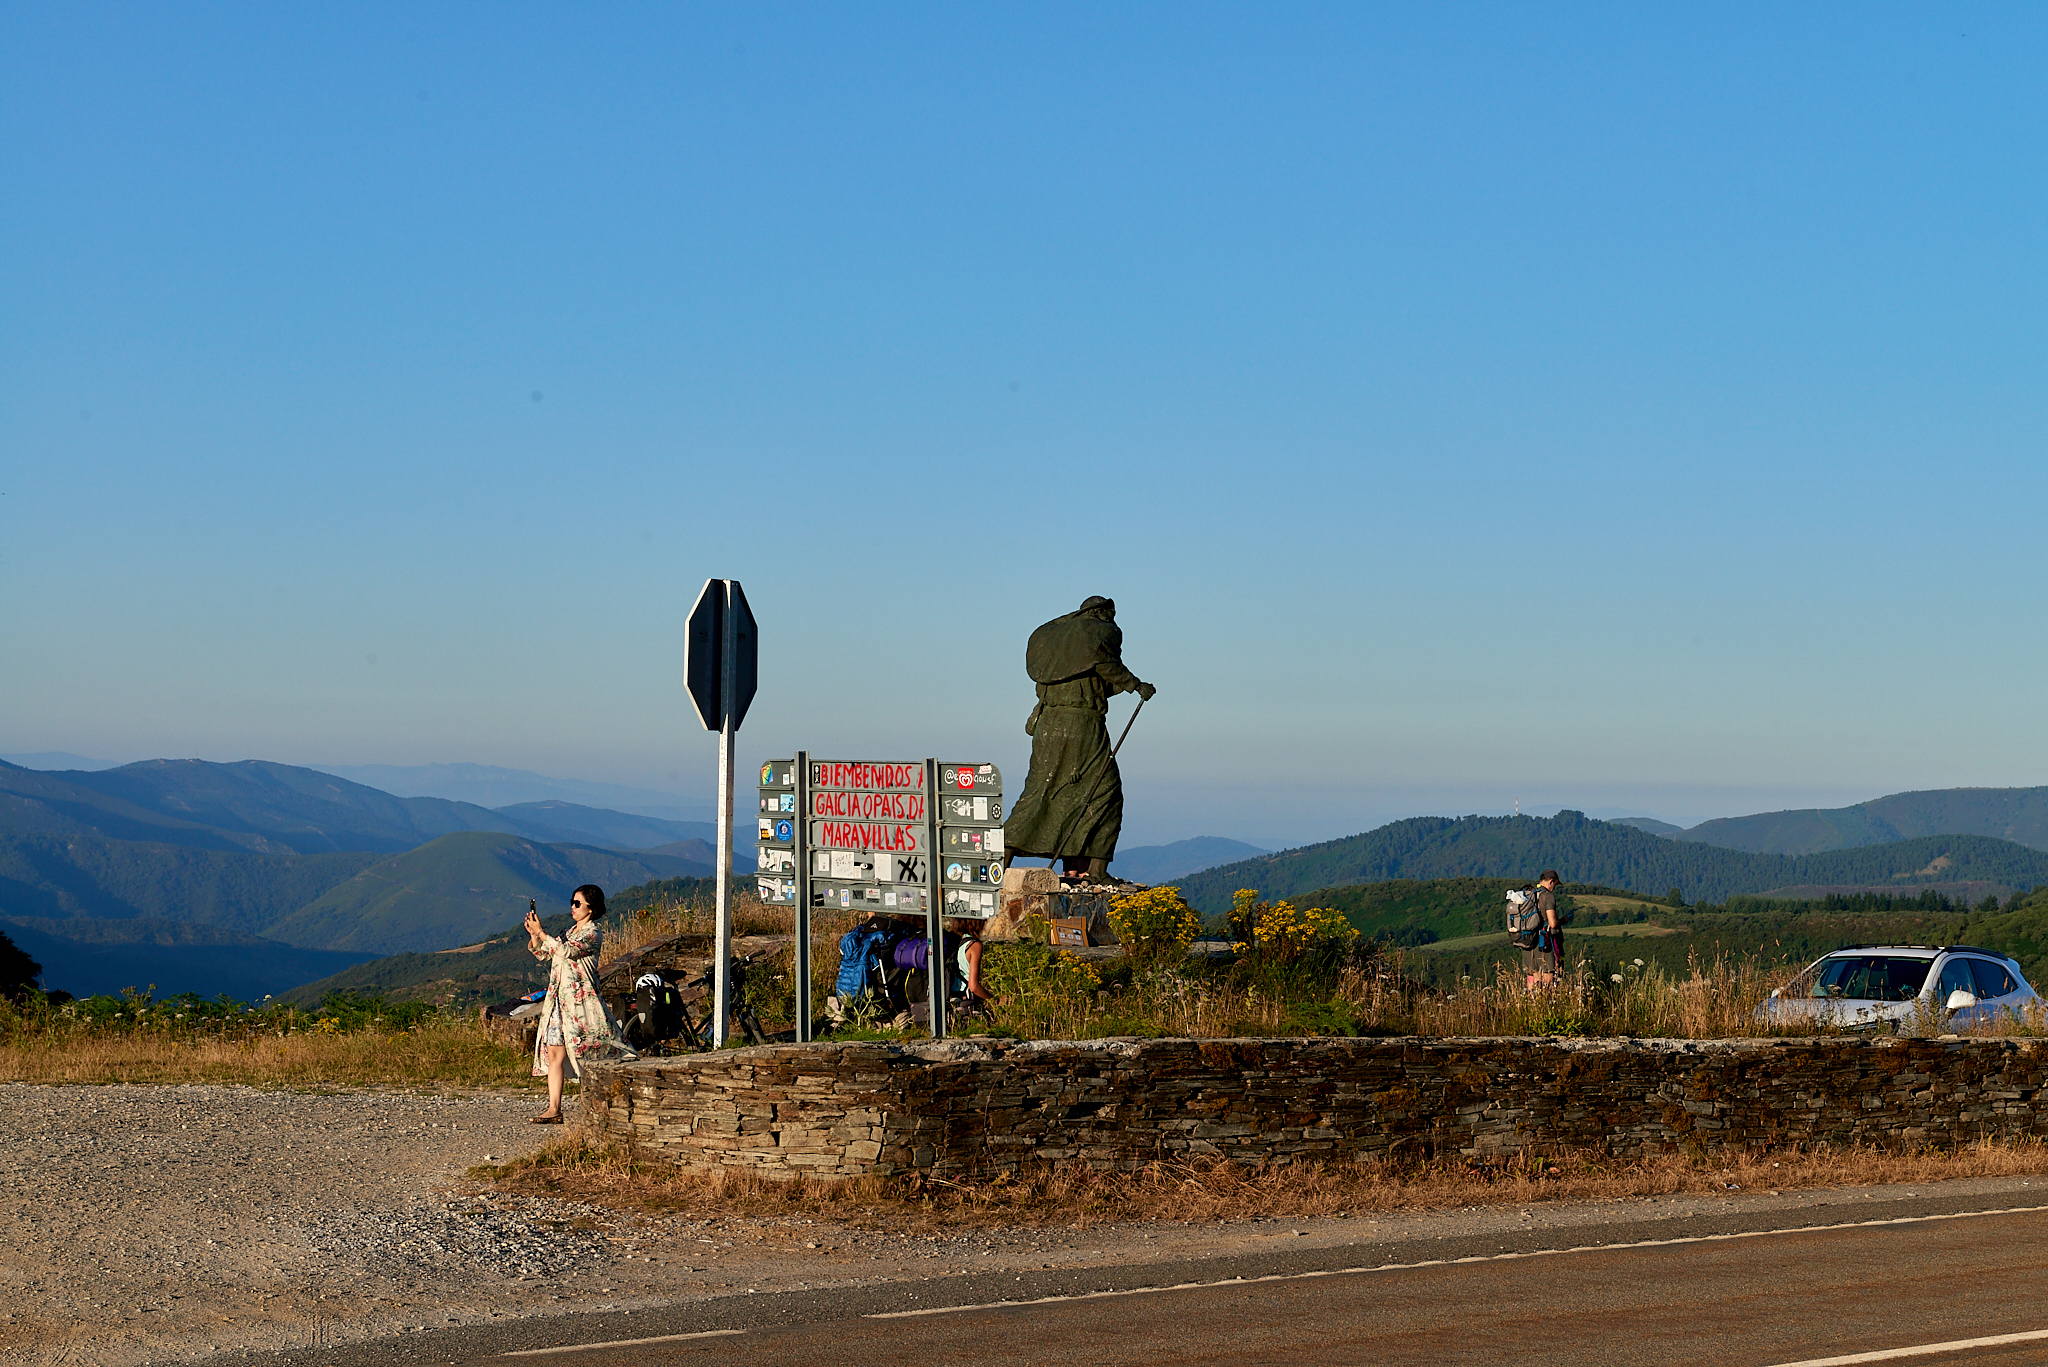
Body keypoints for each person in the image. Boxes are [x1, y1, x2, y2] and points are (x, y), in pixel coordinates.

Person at [1002, 596, 1156, 882]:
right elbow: (1106, 665)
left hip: (1047, 726)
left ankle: (1002, 858)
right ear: (1101, 613)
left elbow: (1095, 682)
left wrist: (1115, 686)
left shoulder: (1053, 646)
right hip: (1083, 726)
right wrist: (1135, 685)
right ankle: (1097, 870)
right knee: (1106, 791)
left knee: (1039, 791)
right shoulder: (1100, 632)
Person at [523, 884, 633, 1123]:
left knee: (591, 1053)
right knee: (554, 1053)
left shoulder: (592, 934)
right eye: (572, 902)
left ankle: (604, 1103)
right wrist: (534, 935)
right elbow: (545, 954)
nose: (572, 907)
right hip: (558, 1003)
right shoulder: (569, 930)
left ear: (590, 909)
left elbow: (565, 951)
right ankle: (554, 1109)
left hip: (581, 1005)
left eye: (577, 903)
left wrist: (542, 933)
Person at [1524, 870, 1564, 989]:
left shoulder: (1528, 894)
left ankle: (1531, 1004)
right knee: (1548, 979)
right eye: (1554, 885)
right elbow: (1552, 923)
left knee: (1533, 976)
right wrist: (1563, 921)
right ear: (1552, 881)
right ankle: (1545, 1005)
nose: (1554, 888)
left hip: (1528, 942)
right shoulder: (1548, 896)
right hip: (1544, 943)